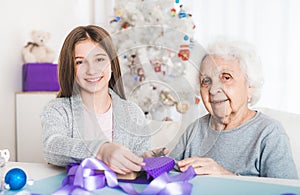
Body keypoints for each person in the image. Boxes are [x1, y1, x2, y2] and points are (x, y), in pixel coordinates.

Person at [169, 38, 298, 179]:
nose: (213, 90)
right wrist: (153, 165)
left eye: (226, 77)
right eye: (206, 81)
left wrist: (226, 178)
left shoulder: (269, 133)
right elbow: (169, 179)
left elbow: (287, 191)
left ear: (250, 86)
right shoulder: (195, 129)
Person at [41, 25, 151, 175]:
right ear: (70, 68)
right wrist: (101, 150)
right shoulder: (58, 110)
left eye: (99, 59)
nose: (92, 70)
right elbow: (52, 146)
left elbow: (140, 160)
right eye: (80, 62)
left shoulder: (133, 113)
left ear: (112, 64)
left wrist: (149, 158)